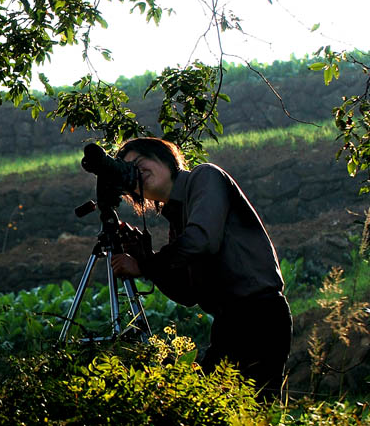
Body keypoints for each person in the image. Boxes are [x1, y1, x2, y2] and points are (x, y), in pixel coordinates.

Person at [110, 137, 292, 399]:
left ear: (165, 157)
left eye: (139, 162)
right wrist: (145, 257)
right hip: (229, 322)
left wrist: (145, 265)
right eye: (129, 172)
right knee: (213, 406)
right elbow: (187, 294)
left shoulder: (205, 177)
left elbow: (202, 240)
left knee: (253, 408)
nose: (137, 173)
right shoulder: (177, 218)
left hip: (259, 314)